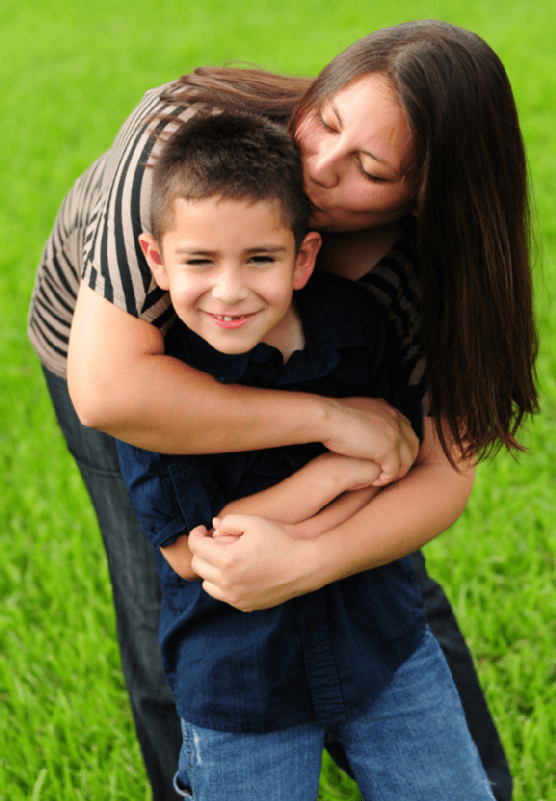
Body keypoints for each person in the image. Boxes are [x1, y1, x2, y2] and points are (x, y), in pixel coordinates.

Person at [28, 19, 538, 801]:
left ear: (427, 194)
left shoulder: (420, 281)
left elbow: (436, 474)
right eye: (327, 120)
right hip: (130, 354)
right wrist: (333, 426)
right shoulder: (184, 135)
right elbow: (114, 392)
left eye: (369, 166)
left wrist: (307, 559)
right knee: (171, 609)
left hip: (328, 364)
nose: (319, 166)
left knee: (387, 589)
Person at [115, 108, 495, 800]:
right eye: (199, 260)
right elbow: (195, 551)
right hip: (239, 680)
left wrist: (288, 532)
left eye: (260, 257)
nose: (229, 290)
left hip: (383, 649)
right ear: (155, 260)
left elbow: (403, 468)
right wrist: (338, 468)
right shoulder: (161, 388)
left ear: (305, 256)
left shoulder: (355, 329)